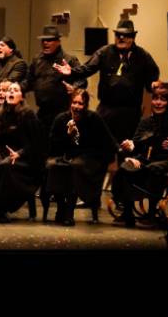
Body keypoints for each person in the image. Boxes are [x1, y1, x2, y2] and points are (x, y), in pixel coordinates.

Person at [54, 19, 160, 144]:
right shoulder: (105, 52)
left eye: (125, 35)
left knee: (127, 148)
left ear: (132, 37)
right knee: (101, 145)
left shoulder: (142, 55)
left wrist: (152, 85)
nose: (121, 38)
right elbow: (88, 68)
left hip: (130, 112)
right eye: (118, 34)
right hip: (107, 109)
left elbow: (152, 77)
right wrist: (72, 72)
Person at [112, 86, 168, 227]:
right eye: (155, 99)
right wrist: (131, 154)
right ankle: (127, 212)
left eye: (163, 99)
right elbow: (135, 144)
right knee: (125, 167)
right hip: (148, 160)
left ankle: (151, 213)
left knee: (153, 168)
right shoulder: (146, 122)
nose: (158, 103)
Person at [0, 82, 45, 223]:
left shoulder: (28, 114)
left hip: (24, 157)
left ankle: (1, 209)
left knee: (5, 166)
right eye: (9, 90)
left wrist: (20, 153)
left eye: (15, 90)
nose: (11, 92)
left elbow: (36, 143)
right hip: (1, 152)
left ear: (21, 97)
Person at [46, 89, 117, 225]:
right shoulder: (61, 119)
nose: (76, 106)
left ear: (85, 105)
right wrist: (68, 135)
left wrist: (122, 151)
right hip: (66, 156)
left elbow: (108, 140)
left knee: (75, 166)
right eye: (74, 102)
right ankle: (61, 207)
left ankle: (69, 212)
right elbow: (53, 145)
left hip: (89, 158)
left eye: (80, 103)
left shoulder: (93, 118)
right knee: (54, 166)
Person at [22, 25, 86, 133]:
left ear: (58, 42)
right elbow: (28, 81)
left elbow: (82, 80)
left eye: (49, 40)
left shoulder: (69, 59)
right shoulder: (37, 60)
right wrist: (16, 88)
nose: (45, 43)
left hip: (62, 112)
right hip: (43, 112)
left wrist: (74, 87)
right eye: (43, 40)